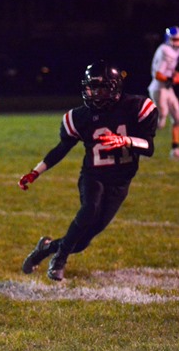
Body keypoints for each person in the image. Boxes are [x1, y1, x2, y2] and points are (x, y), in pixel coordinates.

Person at [18, 60, 157, 282]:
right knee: (90, 208)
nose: (93, 93)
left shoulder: (136, 107)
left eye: (100, 87)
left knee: (82, 242)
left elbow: (149, 148)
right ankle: (59, 259)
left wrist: (124, 140)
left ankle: (46, 248)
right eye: (91, 87)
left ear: (114, 87)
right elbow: (61, 149)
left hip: (120, 182)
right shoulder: (80, 116)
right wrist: (35, 172)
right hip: (93, 176)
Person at [148, 26, 179, 159]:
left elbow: (173, 69)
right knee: (161, 120)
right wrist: (173, 78)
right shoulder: (164, 50)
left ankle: (175, 149)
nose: (177, 41)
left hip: (167, 87)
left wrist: (176, 75)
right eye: (175, 39)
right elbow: (158, 74)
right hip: (158, 88)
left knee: (178, 116)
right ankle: (141, 143)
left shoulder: (174, 50)